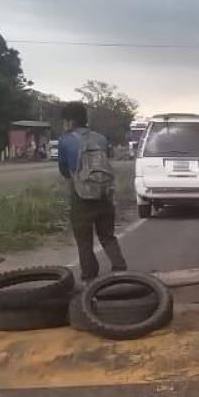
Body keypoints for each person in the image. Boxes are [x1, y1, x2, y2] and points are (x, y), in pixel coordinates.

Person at [57, 102, 127, 281]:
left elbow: (64, 170)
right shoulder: (101, 138)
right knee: (107, 235)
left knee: (84, 239)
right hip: (104, 193)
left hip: (81, 195)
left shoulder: (65, 140)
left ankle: (90, 275)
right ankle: (119, 268)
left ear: (70, 121)